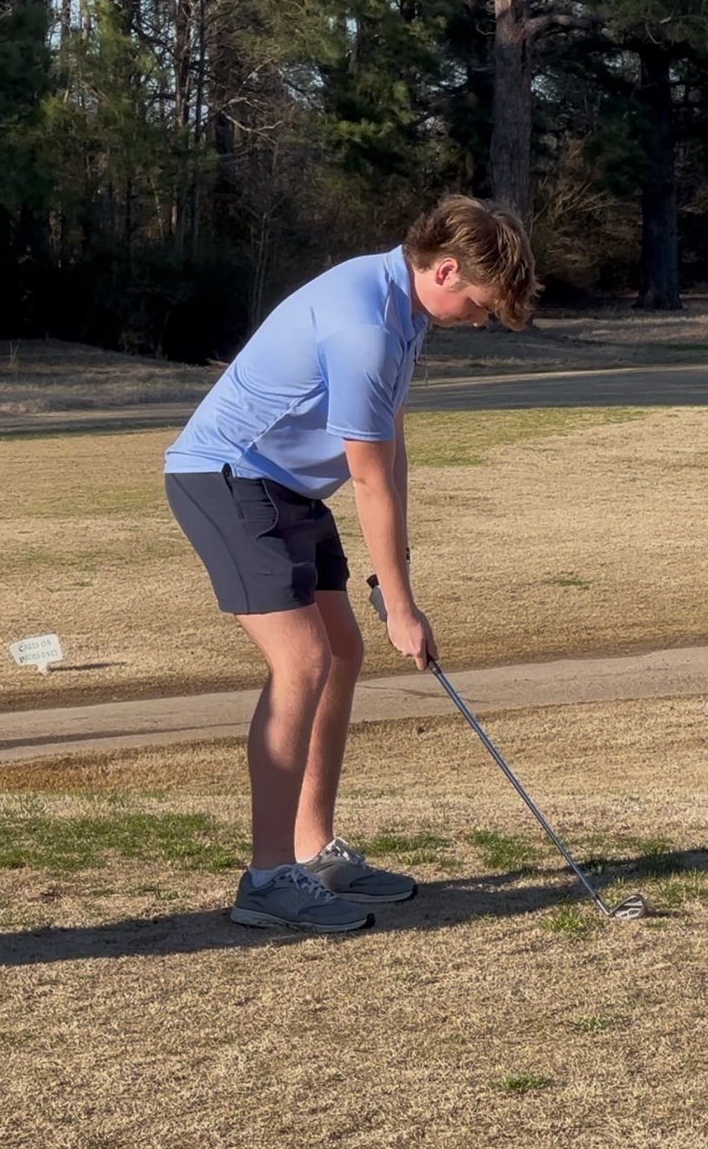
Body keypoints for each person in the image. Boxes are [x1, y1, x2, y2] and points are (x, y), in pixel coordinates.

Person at [164, 196, 537, 934]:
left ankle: (314, 851)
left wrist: (399, 583)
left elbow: (390, 449)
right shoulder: (364, 324)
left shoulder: (404, 310)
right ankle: (268, 878)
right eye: (479, 303)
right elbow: (367, 480)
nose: (479, 319)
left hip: (289, 488)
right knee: (303, 660)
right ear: (446, 269)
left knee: (340, 652)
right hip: (227, 478)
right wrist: (401, 605)